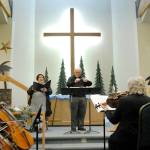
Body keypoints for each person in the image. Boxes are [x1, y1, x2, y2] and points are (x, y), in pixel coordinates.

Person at [101, 76, 150, 150]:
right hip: (143, 139)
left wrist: (106, 110)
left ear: (130, 87)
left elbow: (114, 120)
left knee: (112, 140)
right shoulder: (148, 101)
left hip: (125, 137)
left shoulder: (124, 100)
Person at [67, 68, 92, 132]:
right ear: (74, 72)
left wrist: (87, 81)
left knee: (82, 113)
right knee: (74, 113)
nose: (77, 73)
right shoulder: (71, 78)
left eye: (78, 72)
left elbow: (90, 84)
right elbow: (68, 84)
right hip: (74, 97)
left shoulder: (83, 78)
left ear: (80, 72)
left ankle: (81, 126)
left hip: (83, 97)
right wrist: (74, 82)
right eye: (76, 72)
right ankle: (73, 128)